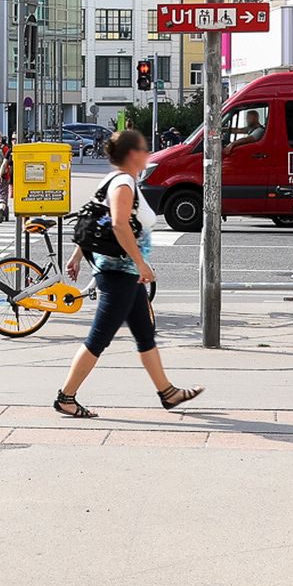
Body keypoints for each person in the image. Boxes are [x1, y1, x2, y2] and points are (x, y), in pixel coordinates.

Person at [54, 129, 202, 418]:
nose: (148, 155)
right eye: (145, 150)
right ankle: (66, 397)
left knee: (145, 335)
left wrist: (77, 256)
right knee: (99, 338)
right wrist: (141, 263)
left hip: (125, 273)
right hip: (118, 273)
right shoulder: (123, 184)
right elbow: (119, 226)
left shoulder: (115, 180)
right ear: (132, 154)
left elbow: (97, 221)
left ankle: (168, 393)